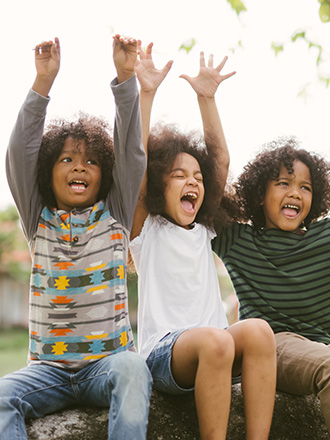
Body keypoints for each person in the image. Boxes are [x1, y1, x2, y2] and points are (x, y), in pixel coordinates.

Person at [0, 35, 152, 440]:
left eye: (90, 161)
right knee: (0, 396)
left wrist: (125, 80)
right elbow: (17, 154)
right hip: (47, 373)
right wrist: (42, 83)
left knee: (135, 368)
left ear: (105, 175)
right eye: (66, 159)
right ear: (48, 171)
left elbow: (132, 153)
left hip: (107, 366)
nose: (79, 167)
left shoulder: (115, 213)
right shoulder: (38, 218)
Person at [130, 42, 277, 440]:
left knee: (260, 331)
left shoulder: (204, 229)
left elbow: (221, 160)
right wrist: (146, 93)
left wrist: (206, 99)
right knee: (216, 341)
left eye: (197, 176)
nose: (193, 181)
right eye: (179, 175)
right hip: (165, 354)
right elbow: (137, 163)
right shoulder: (147, 231)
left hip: (216, 346)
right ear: (161, 186)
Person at [212, 137, 330, 432]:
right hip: (272, 347)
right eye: (283, 183)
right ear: (260, 195)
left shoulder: (325, 237)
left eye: (306, 187)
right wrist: (207, 99)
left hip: (322, 347)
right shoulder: (239, 240)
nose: (295, 193)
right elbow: (208, 191)